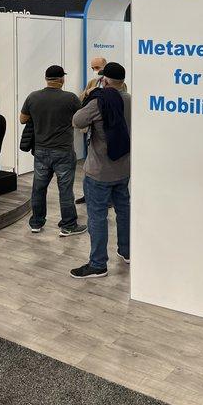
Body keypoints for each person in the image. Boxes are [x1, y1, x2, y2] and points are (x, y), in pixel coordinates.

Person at [70, 62, 131, 279]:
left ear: (104, 80)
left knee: (97, 217)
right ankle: (127, 251)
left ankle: (98, 264)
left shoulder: (99, 102)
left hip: (99, 170)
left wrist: (90, 95)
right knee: (124, 210)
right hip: (123, 168)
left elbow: (77, 120)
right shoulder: (130, 100)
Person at [20, 65, 87, 236]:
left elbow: (22, 119)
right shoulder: (70, 98)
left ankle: (36, 223)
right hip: (63, 151)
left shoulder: (33, 97)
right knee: (65, 190)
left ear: (46, 79)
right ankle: (68, 225)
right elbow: (82, 119)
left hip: (41, 151)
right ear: (62, 79)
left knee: (38, 188)